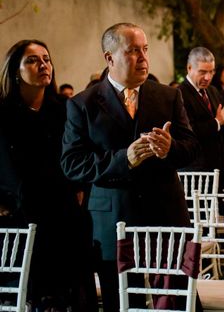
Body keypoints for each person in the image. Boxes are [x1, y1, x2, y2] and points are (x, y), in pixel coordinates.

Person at [61, 23, 200, 312]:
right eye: (133, 51)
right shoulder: (82, 104)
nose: (143, 58)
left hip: (166, 214)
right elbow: (72, 164)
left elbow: (191, 148)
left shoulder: (168, 96)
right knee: (121, 302)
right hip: (113, 219)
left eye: (145, 49)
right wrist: (124, 159)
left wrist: (169, 149)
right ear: (109, 58)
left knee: (176, 299)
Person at [0, 40, 96, 311]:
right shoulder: (4, 113)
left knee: (71, 293)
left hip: (64, 212)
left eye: (46, 58)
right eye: (32, 60)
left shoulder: (65, 109)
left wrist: (78, 190)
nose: (43, 65)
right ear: (16, 70)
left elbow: (80, 156)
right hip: (22, 214)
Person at [178, 47, 224, 185]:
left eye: (211, 72)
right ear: (189, 68)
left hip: (217, 166)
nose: (207, 77)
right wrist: (218, 121)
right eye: (202, 72)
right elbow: (189, 132)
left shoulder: (212, 91)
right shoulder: (179, 94)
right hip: (195, 173)